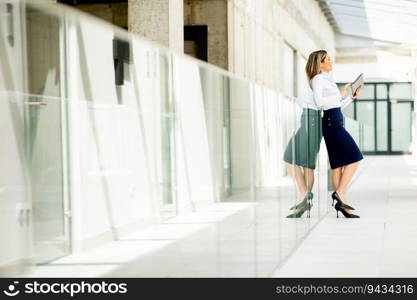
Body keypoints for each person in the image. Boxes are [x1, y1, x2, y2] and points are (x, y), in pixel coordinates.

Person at [306, 50, 363, 218]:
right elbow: (319, 103)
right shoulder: (317, 79)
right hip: (332, 124)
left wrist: (350, 97)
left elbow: (335, 105)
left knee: (338, 166)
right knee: (355, 157)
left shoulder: (326, 80)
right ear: (320, 64)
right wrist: (341, 93)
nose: (331, 61)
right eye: (327, 59)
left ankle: (342, 206)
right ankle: (340, 193)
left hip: (335, 121)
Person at [284, 95, 322, 218]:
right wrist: (295, 99)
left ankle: (303, 198)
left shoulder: (319, 80)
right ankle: (305, 197)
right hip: (307, 120)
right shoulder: (314, 81)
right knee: (289, 157)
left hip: (312, 121)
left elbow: (319, 102)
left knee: (307, 164)